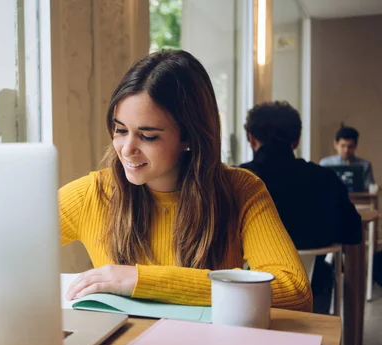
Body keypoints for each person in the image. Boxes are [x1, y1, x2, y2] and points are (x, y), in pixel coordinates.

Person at [59, 50, 312, 312]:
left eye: (148, 136)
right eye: (120, 130)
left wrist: (141, 280)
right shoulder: (93, 193)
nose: (126, 149)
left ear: (190, 137)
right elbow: (14, 241)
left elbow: (294, 290)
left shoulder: (241, 190)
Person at [239, 101, 362, 313]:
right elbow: (353, 233)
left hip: (246, 292)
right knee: (322, 272)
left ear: (251, 138)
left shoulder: (238, 180)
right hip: (311, 293)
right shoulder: (326, 179)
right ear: (296, 140)